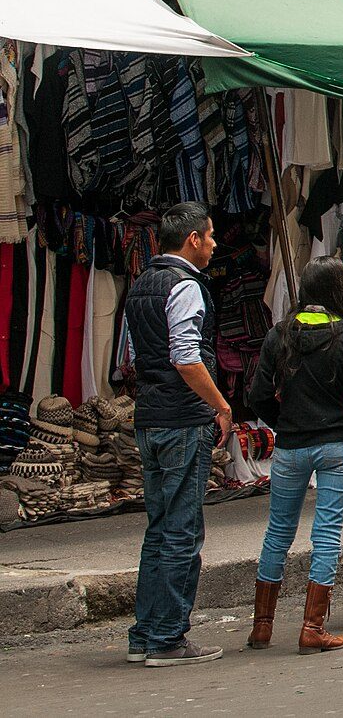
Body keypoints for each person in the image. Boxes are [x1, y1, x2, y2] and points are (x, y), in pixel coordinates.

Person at [246, 258, 343, 653]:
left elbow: (256, 397)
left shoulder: (279, 334)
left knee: (278, 532)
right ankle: (311, 628)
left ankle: (262, 627)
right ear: (341, 290)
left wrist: (284, 421)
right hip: (338, 445)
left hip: (291, 446)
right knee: (326, 532)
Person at [125, 202, 230, 667]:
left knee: (159, 530)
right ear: (191, 239)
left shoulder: (141, 284)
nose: (213, 244)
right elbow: (186, 358)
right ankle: (168, 638)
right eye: (208, 236)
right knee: (183, 533)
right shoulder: (186, 285)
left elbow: (134, 356)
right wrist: (221, 405)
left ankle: (144, 635)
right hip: (182, 420)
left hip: (149, 417)